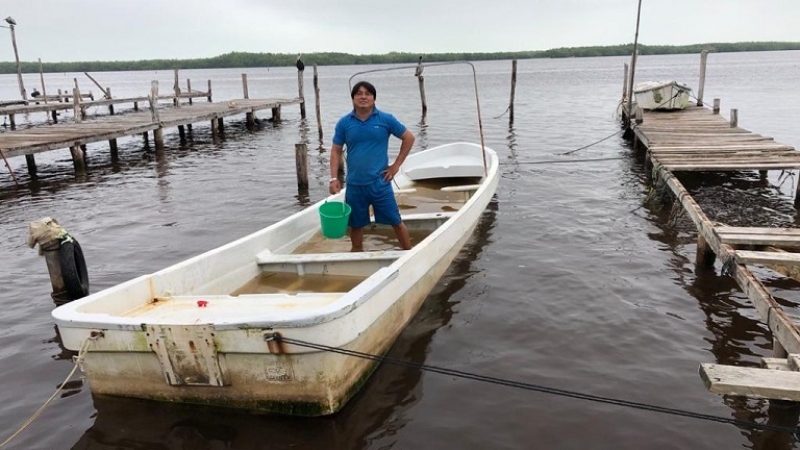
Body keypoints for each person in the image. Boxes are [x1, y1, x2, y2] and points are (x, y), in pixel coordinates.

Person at [329, 81, 415, 252]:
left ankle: (409, 253)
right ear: (353, 98)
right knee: (356, 225)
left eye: (368, 93)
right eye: (359, 93)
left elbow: (409, 138)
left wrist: (396, 166)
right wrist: (333, 178)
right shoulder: (344, 123)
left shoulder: (386, 119)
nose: (363, 97)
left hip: (380, 183)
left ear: (374, 98)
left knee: (396, 222)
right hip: (354, 185)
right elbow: (335, 150)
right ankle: (356, 255)